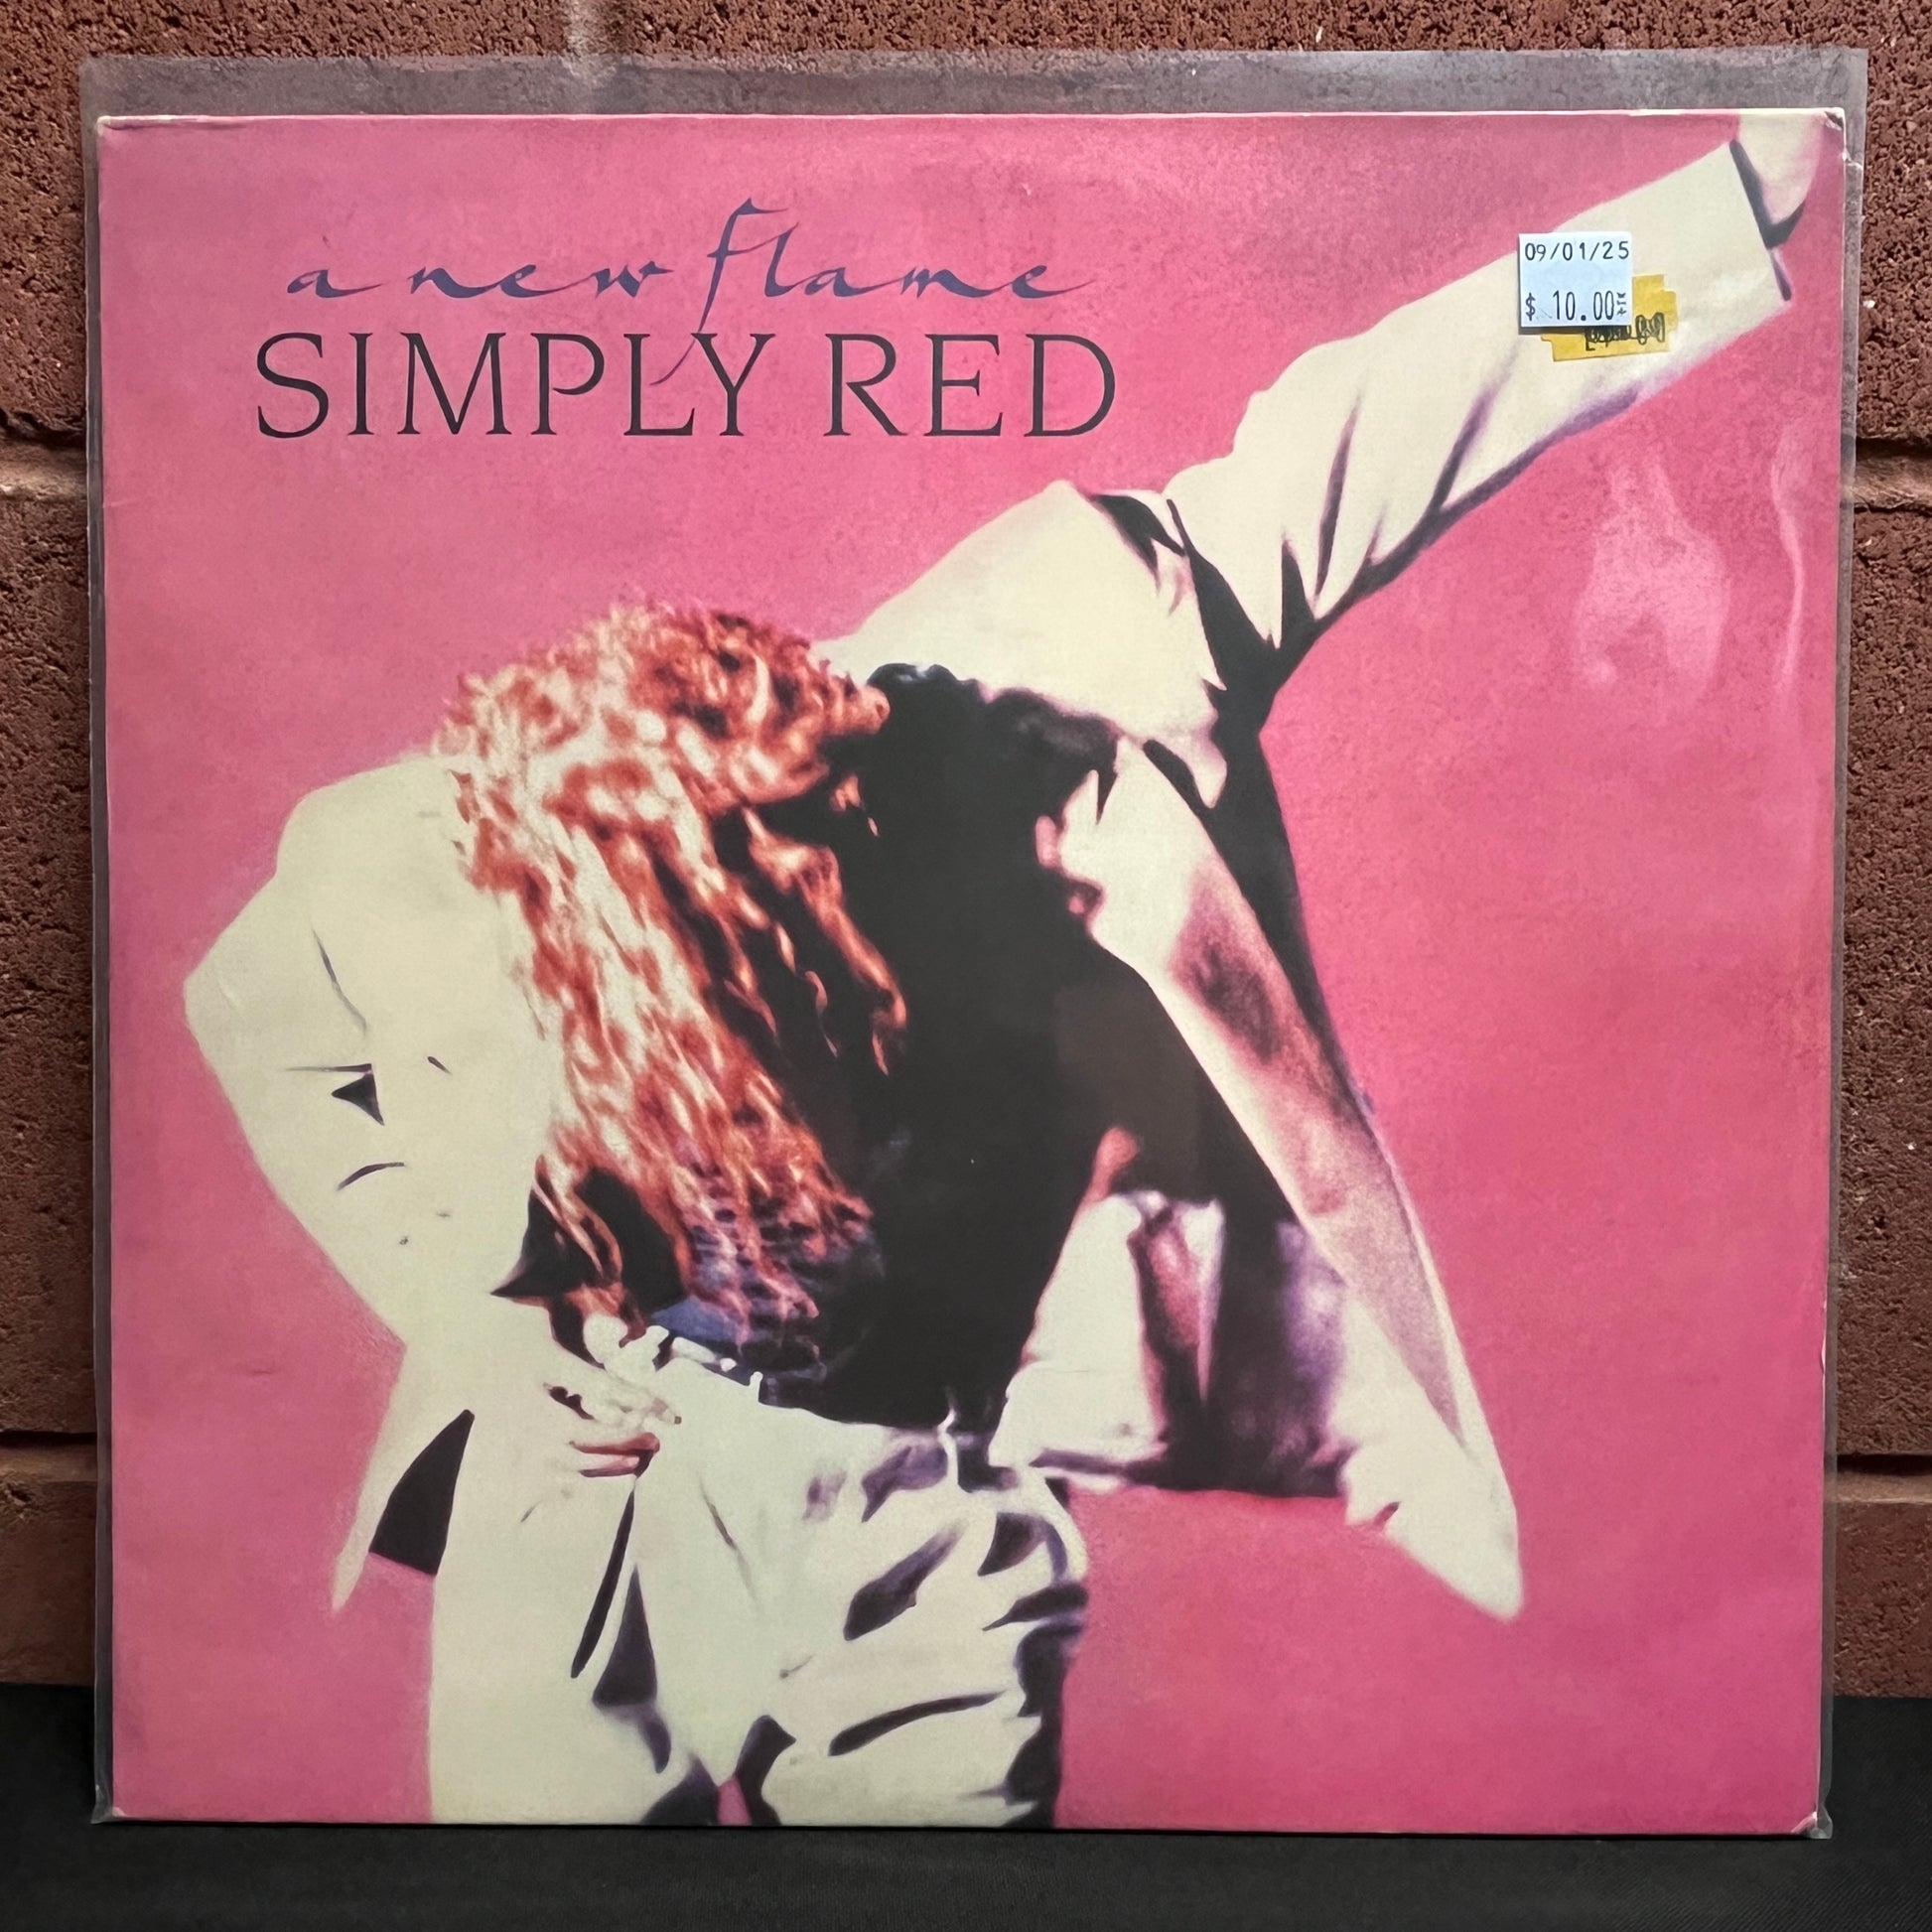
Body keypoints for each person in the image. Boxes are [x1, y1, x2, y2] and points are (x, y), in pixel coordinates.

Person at [184, 115, 1825, 1824]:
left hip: (919, 1506)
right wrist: (449, 1299)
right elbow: (250, 1008)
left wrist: (1711, 218)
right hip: (589, 1477)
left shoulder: (1078, 666)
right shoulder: (457, 847)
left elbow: (1418, 395)